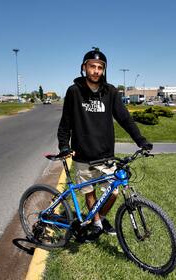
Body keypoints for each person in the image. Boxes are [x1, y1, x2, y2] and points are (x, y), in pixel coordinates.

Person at [57, 47, 152, 241]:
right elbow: (65, 123)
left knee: (114, 192)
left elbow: (125, 118)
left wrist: (140, 140)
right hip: (83, 154)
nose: (96, 71)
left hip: (106, 155)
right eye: (92, 66)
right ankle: (97, 224)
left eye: (100, 67)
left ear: (104, 70)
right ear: (84, 67)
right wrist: (64, 146)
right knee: (89, 193)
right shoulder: (74, 91)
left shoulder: (110, 92)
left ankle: (99, 218)